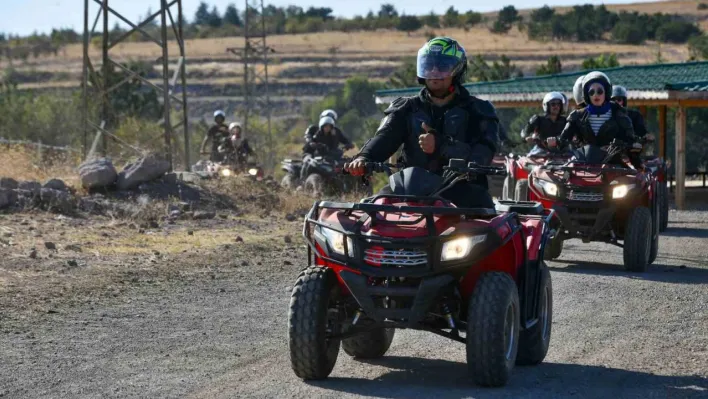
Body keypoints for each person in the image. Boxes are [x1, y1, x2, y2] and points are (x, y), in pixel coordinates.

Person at [344, 37, 500, 208]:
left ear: (457, 69)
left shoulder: (479, 110)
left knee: (487, 219)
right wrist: (365, 157)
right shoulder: (405, 108)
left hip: (461, 190)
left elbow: (484, 153)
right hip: (408, 188)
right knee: (370, 211)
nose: (434, 72)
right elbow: (385, 137)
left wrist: (441, 146)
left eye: (442, 66)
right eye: (429, 65)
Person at [547, 71, 643, 169]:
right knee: (563, 178)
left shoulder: (619, 115)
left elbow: (631, 141)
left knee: (634, 180)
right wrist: (556, 141)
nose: (595, 95)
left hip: (613, 165)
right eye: (591, 92)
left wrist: (634, 146)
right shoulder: (577, 116)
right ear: (586, 95)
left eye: (599, 91)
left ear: (606, 92)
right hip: (584, 164)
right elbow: (563, 138)